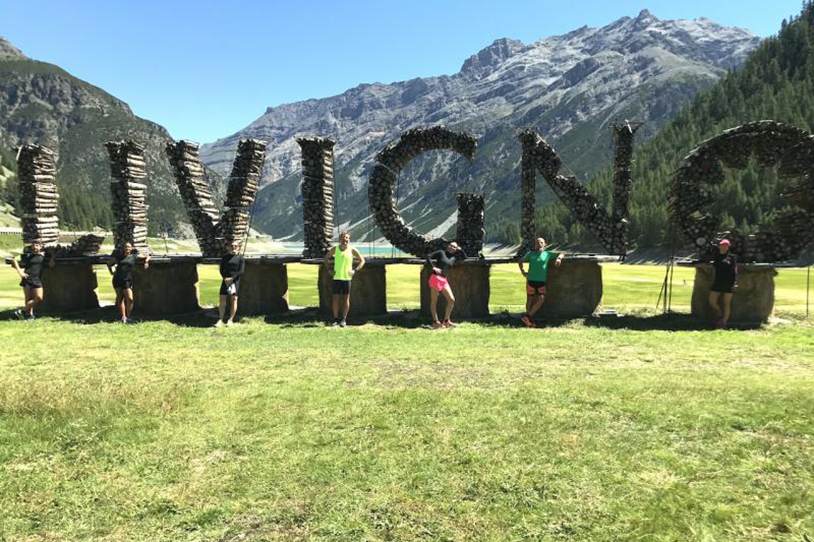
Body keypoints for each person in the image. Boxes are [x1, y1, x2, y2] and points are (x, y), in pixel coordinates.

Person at [517, 237, 563, 327]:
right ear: (535, 245)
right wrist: (523, 271)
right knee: (530, 299)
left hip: (541, 281)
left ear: (545, 244)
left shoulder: (547, 254)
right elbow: (520, 260)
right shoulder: (531, 254)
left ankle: (527, 317)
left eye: (541, 243)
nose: (539, 244)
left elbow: (561, 253)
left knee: (541, 299)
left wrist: (559, 259)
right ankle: (528, 321)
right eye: (537, 243)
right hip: (530, 280)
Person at [324, 231, 366, 327]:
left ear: (349, 239)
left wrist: (355, 270)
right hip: (336, 278)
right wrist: (329, 270)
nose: (345, 240)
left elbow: (362, 260)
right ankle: (335, 320)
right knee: (335, 299)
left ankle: (343, 320)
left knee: (346, 298)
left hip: (347, 278)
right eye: (343, 238)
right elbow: (326, 258)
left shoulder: (352, 250)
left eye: (346, 238)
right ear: (340, 239)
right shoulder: (335, 249)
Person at [425, 241, 467, 328]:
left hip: (444, 280)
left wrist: (461, 249)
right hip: (435, 278)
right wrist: (433, 266)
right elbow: (428, 256)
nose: (452, 248)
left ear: (456, 249)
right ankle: (435, 322)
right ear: (448, 246)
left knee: (451, 300)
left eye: (454, 247)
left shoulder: (454, 258)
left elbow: (464, 257)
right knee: (434, 301)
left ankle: (447, 321)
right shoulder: (441, 252)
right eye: (451, 246)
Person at [107, 242, 150, 324]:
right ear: (123, 248)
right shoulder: (118, 257)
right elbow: (109, 263)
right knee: (120, 298)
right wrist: (111, 272)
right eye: (126, 247)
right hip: (117, 279)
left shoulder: (133, 256)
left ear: (131, 248)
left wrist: (146, 262)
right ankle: (123, 317)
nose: (127, 248)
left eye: (129, 247)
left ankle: (129, 316)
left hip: (127, 280)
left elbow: (147, 257)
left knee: (130, 299)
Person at [10, 241, 54, 320]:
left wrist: (52, 258)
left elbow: (51, 265)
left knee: (39, 297)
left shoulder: (44, 256)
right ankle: (29, 315)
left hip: (37, 279)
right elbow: (14, 259)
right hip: (27, 279)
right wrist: (20, 272)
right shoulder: (27, 255)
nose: (35, 247)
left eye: (37, 245)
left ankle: (22, 311)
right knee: (28, 298)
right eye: (34, 246)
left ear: (41, 246)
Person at [708, 239, 738, 329]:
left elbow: (734, 270)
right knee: (712, 301)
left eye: (726, 245)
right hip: (718, 281)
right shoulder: (716, 256)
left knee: (726, 303)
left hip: (728, 282)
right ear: (719, 246)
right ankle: (719, 313)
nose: (724, 247)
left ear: (728, 247)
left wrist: (734, 282)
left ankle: (723, 322)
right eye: (722, 245)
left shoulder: (732, 257)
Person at [217, 244, 245, 327]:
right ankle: (220, 319)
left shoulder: (240, 258)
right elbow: (221, 269)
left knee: (234, 299)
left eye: (236, 246)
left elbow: (241, 271)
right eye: (232, 246)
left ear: (238, 247)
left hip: (234, 282)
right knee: (222, 299)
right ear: (228, 247)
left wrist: (231, 279)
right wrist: (225, 278)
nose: (234, 248)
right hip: (225, 281)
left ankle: (230, 319)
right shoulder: (225, 257)